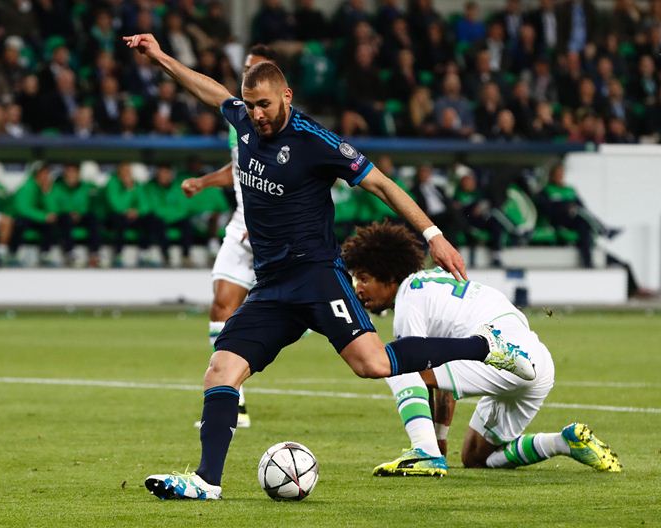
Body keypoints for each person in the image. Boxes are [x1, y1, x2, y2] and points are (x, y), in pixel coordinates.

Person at [123, 32, 531, 501]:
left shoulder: (315, 141)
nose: (256, 114)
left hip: (316, 276)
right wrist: (160, 57)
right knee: (220, 369)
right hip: (271, 286)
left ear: (286, 96)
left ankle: (485, 346)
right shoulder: (244, 121)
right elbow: (211, 91)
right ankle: (206, 481)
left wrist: (433, 235)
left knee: (373, 364)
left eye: (264, 104)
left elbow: (382, 185)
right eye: (250, 105)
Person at [342, 221, 622, 477]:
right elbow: (438, 373)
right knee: (476, 457)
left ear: (390, 276)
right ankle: (563, 442)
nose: (358, 289)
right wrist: (440, 438)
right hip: (535, 360)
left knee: (393, 363)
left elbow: (415, 367)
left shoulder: (409, 294)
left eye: (364, 278)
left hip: (495, 349)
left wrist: (432, 446)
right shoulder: (434, 283)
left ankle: (424, 453)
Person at [180, 44, 280, 429]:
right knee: (222, 304)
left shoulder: (282, 123)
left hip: (276, 226)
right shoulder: (239, 119)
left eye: (257, 68)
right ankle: (233, 399)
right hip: (242, 224)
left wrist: (268, 215)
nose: (248, 75)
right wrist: (204, 182)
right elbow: (239, 167)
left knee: (298, 309)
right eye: (246, 69)